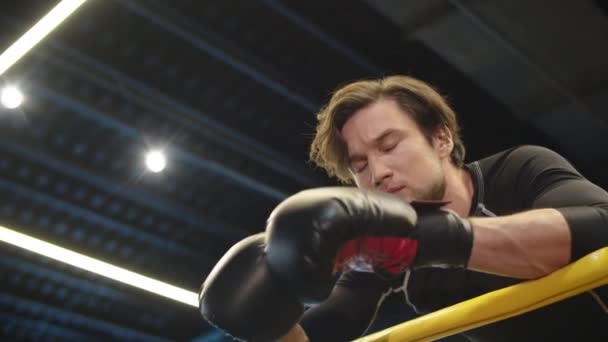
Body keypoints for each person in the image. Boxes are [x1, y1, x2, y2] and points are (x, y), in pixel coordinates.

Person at [199, 76, 608, 342]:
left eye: (390, 146)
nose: (377, 172)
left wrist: (428, 239)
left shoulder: (518, 170)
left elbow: (601, 227)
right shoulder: (386, 246)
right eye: (359, 165)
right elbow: (334, 324)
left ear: (442, 140)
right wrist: (270, 317)